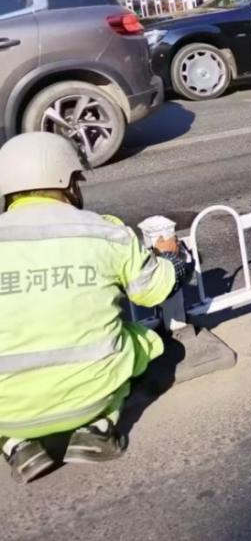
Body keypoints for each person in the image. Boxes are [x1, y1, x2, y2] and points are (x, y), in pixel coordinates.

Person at [0, 133, 187, 484]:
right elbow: (157, 289)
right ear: (67, 183)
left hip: (6, 411)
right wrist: (174, 258)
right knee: (143, 342)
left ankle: (16, 444)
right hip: (89, 395)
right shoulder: (104, 232)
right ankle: (98, 428)